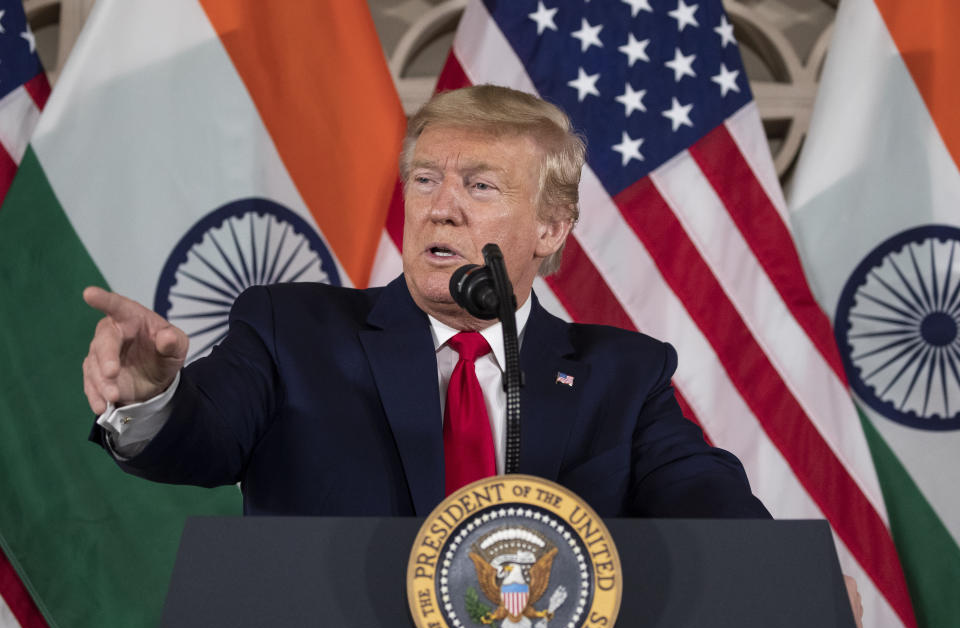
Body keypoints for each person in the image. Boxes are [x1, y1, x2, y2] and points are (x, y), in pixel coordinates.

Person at [83, 85, 770, 519]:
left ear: (552, 228)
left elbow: (702, 498)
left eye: (479, 186)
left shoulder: (623, 374)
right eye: (425, 178)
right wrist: (151, 399)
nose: (441, 208)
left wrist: (778, 573)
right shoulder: (291, 332)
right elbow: (202, 441)